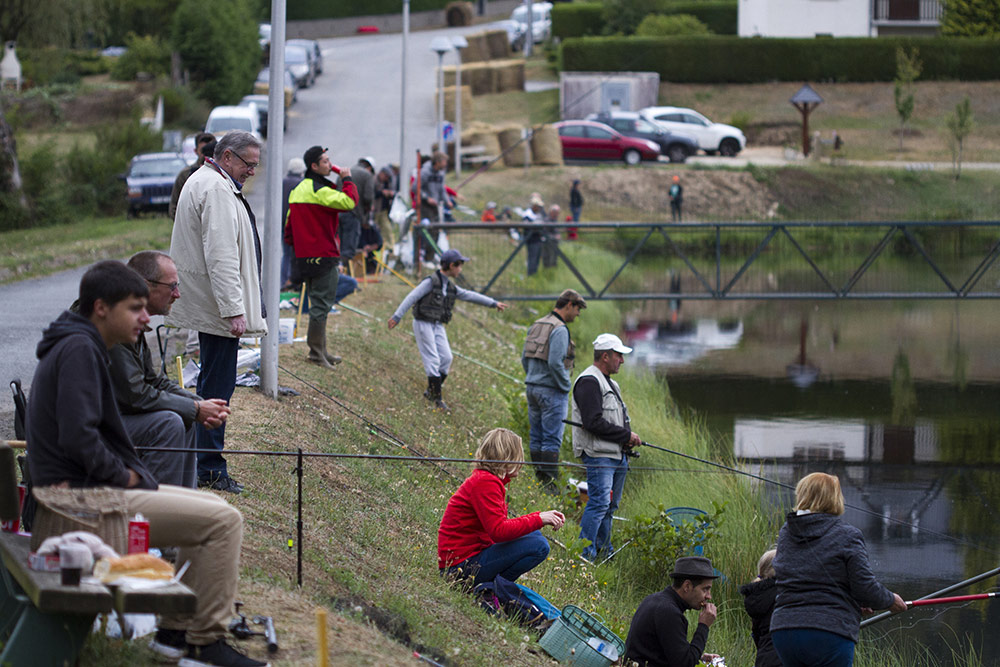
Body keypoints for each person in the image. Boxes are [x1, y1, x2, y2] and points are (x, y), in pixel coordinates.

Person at [25, 260, 265, 667]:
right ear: (101, 308)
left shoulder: (81, 344)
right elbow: (77, 436)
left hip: (82, 498)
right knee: (224, 522)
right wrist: (125, 475)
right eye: (135, 308)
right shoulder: (80, 350)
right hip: (81, 509)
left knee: (220, 511)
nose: (144, 317)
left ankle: (173, 634)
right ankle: (202, 643)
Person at [167, 131, 267, 494]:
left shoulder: (208, 181)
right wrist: (233, 310)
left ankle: (200, 461)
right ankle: (208, 466)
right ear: (227, 157)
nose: (252, 171)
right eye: (248, 164)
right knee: (217, 387)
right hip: (218, 308)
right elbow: (222, 256)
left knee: (211, 380)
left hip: (213, 305)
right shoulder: (217, 190)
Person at [110, 251, 231, 488]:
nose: (178, 294)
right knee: (169, 423)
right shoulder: (114, 321)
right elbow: (135, 394)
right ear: (146, 286)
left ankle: (184, 504)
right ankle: (158, 510)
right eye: (172, 286)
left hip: (110, 415)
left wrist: (198, 403)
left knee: (183, 417)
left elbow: (152, 381)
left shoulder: (127, 312)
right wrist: (194, 408)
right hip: (91, 426)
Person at [771, 472, 907, 667]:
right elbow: (864, 587)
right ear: (834, 498)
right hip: (829, 632)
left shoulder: (786, 532)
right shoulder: (848, 535)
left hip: (784, 630)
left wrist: (852, 602)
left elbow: (801, 577)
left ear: (803, 495)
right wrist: (891, 600)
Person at [437, 428, 564, 585]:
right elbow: (499, 532)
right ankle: (492, 588)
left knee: (535, 536)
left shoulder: (486, 480)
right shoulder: (486, 483)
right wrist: (539, 519)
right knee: (539, 546)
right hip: (458, 568)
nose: (522, 462)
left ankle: (494, 587)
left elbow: (498, 528)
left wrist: (539, 517)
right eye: (518, 457)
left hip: (465, 560)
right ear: (507, 458)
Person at [387, 249, 507, 411]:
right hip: (423, 323)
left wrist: (493, 303)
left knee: (446, 358)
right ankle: (437, 400)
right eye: (460, 266)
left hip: (437, 324)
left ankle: (432, 390)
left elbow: (470, 295)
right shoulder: (431, 282)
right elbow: (412, 297)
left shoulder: (450, 286)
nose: (461, 269)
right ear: (452, 265)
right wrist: (397, 316)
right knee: (433, 359)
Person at [284, 145, 358, 369]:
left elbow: (288, 229)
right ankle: (317, 353)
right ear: (314, 166)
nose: (330, 164)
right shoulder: (320, 191)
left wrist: (302, 246)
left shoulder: (298, 190)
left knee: (319, 303)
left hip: (303, 256)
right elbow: (349, 202)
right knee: (321, 305)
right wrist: (347, 179)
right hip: (323, 255)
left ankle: (322, 350)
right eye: (325, 161)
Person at [570, 333, 641, 561]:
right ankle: (585, 556)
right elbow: (593, 422)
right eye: (618, 355)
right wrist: (626, 435)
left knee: (609, 507)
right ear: (605, 356)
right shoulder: (589, 381)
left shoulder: (610, 382)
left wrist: (625, 441)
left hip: (615, 455)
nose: (621, 360)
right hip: (599, 455)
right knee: (599, 504)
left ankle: (603, 551)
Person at [521, 289, 586, 493]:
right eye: (577, 309)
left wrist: (533, 377)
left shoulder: (538, 323)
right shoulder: (560, 329)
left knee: (537, 435)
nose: (578, 314)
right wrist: (566, 386)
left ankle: (539, 480)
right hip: (551, 391)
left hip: (532, 387)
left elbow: (525, 358)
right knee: (551, 438)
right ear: (569, 305)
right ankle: (550, 486)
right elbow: (555, 363)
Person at [623, 556, 720, 667]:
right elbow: (686, 664)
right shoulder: (669, 612)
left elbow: (667, 654)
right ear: (687, 586)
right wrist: (703, 626)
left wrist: (699, 657)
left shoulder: (655, 600)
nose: (709, 596)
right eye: (705, 589)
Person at [739, 549, 781, 667]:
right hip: (784, 657)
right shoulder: (784, 593)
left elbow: (756, 635)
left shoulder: (757, 597)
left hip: (764, 658)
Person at [339, 156, 375, 273]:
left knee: (339, 246)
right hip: (353, 213)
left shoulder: (344, 173)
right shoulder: (366, 175)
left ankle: (339, 274)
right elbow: (368, 197)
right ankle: (345, 277)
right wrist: (367, 210)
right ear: (369, 167)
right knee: (349, 248)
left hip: (338, 212)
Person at [169, 132, 214, 220]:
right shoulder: (185, 175)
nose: (207, 155)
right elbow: (174, 207)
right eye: (203, 151)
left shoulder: (223, 174)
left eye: (211, 151)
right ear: (196, 151)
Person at [418, 152, 451, 263]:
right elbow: (416, 188)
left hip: (435, 206)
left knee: (436, 231)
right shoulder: (425, 172)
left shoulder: (440, 173)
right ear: (437, 162)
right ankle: (422, 257)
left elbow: (442, 189)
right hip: (425, 206)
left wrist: (447, 201)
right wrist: (427, 198)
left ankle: (430, 257)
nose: (446, 164)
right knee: (428, 231)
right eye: (444, 161)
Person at [280, 157, 307, 289]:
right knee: (295, 255)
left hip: (281, 224)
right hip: (295, 224)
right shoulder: (302, 184)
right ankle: (292, 281)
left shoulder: (281, 183)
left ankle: (282, 281)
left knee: (285, 253)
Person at [523, 193, 546, 276]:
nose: (540, 208)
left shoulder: (538, 213)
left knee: (536, 258)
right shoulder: (527, 214)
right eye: (538, 206)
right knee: (532, 258)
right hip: (532, 240)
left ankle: (534, 274)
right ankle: (530, 274)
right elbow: (527, 226)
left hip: (538, 239)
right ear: (534, 206)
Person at [542, 204, 561, 269]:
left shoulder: (555, 220)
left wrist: (558, 235)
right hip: (547, 243)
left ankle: (553, 269)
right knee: (547, 259)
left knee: (554, 258)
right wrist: (554, 237)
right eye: (557, 213)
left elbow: (556, 230)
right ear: (552, 212)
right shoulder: (546, 220)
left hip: (554, 243)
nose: (557, 214)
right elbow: (544, 233)